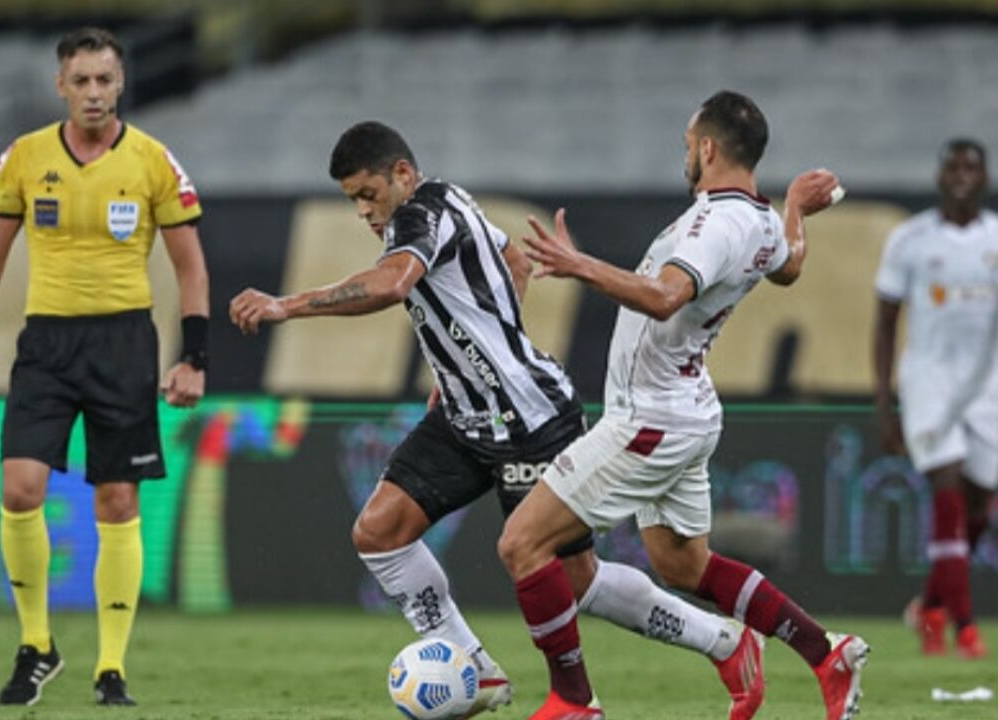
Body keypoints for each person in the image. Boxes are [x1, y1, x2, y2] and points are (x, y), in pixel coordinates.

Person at [231, 120, 771, 719]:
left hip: (530, 419)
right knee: (379, 533)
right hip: (464, 416)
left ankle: (720, 641)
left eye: (367, 194)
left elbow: (390, 286)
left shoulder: (420, 217)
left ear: (402, 175)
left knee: (578, 581)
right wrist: (472, 359)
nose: (362, 210)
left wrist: (286, 304)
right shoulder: (451, 198)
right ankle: (477, 671)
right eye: (352, 199)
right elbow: (513, 260)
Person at [498, 90, 869, 720]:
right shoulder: (756, 220)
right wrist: (797, 210)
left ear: (708, 147)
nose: (685, 157)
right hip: (688, 407)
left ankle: (573, 701)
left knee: (521, 543)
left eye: (686, 145)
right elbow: (790, 266)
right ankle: (825, 651)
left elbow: (666, 297)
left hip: (648, 418)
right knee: (682, 563)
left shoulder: (714, 223)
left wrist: (581, 264)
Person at [0, 27, 210, 707]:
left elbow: (190, 267)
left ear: (121, 84)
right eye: (81, 80)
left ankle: (112, 667)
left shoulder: (153, 161)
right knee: (19, 490)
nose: (93, 93)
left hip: (124, 345)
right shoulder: (24, 157)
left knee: (118, 500)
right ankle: (36, 645)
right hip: (45, 346)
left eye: (104, 80)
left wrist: (195, 358)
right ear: (60, 86)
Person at [874, 138, 998, 660]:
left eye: (972, 166)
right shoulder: (911, 239)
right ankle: (963, 628)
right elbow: (884, 324)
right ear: (940, 175)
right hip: (928, 381)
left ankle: (930, 603)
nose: (962, 175)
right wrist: (885, 404)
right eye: (953, 166)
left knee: (978, 509)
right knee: (947, 493)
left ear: (985, 176)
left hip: (986, 387)